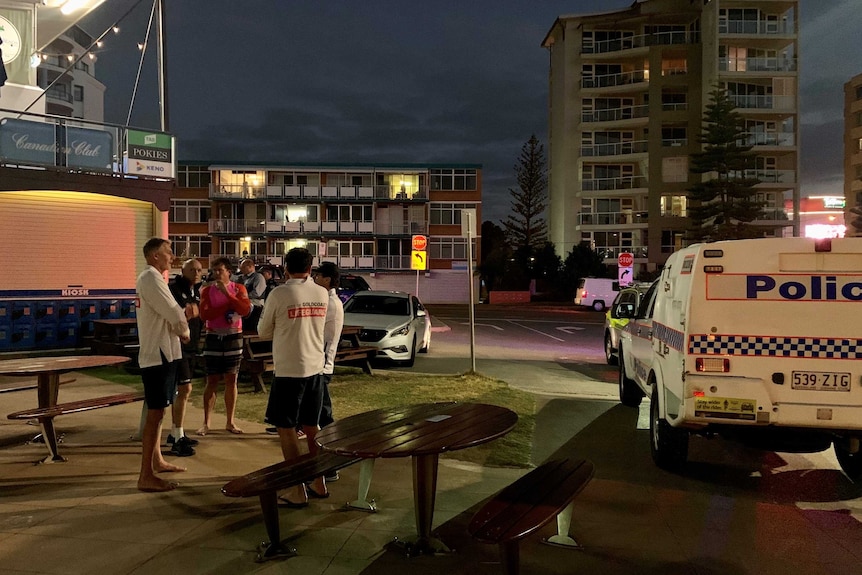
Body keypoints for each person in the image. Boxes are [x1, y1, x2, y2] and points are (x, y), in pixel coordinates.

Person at [257, 247, 329, 506]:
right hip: (315, 369)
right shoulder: (322, 293)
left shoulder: (280, 293)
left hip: (289, 370)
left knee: (286, 429)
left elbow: (263, 331)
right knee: (312, 426)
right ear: (310, 269)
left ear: (286, 268)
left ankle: (297, 488)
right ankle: (318, 481)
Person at [135, 237, 190, 492]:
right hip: (158, 356)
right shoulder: (150, 278)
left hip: (165, 353)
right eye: (168, 252)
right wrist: (185, 331)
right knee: (155, 414)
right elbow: (173, 311)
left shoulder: (156, 278)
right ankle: (145, 474)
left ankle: (156, 460)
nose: (172, 256)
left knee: (160, 411)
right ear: (155, 255)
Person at [198, 257, 252, 435]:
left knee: (231, 379)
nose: (216, 274)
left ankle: (230, 421)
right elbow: (205, 314)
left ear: (229, 271)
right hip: (213, 335)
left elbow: (244, 310)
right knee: (211, 380)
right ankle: (206, 422)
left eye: (220, 270)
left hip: (233, 336)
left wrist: (228, 296)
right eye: (214, 270)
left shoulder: (238, 288)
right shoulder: (206, 291)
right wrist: (227, 306)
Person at [167, 258, 204, 456]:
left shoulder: (194, 290)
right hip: (177, 346)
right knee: (185, 389)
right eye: (192, 270)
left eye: (199, 270)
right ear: (183, 271)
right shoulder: (173, 289)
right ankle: (177, 438)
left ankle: (176, 433)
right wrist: (187, 312)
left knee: (183, 391)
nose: (197, 273)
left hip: (191, 347)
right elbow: (174, 315)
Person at [313, 261, 344, 482]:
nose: (315, 279)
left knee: (324, 416)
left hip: (322, 365)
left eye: (318, 276)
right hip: (321, 364)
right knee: (318, 414)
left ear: (327, 279)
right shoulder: (330, 300)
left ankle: (331, 464)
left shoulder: (330, 303)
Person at [239, 258, 266, 332]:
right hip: (246, 306)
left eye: (243, 267)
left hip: (256, 306)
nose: (241, 269)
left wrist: (243, 296)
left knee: (252, 329)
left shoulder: (258, 277)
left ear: (250, 267)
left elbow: (257, 293)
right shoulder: (243, 278)